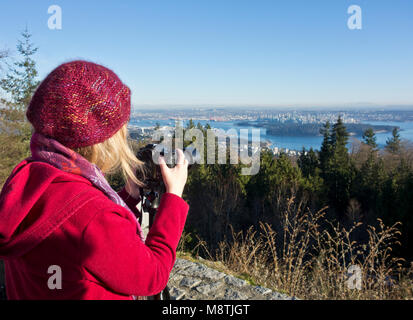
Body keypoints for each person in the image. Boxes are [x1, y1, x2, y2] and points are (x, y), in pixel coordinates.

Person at [0, 60, 189, 300]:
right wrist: (173, 199)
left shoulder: (28, 179)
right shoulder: (94, 219)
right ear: (104, 138)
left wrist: (128, 197)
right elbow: (153, 276)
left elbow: (76, 222)